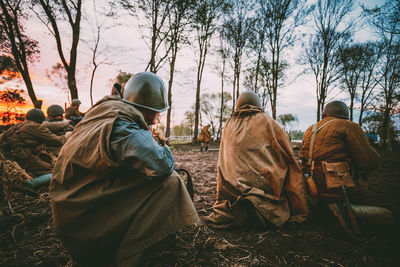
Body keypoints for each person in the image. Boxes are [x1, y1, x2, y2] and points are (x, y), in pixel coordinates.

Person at [50, 72, 200, 266]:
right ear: (145, 108)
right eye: (156, 112)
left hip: (73, 208)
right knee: (171, 182)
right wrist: (165, 149)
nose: (155, 120)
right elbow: (161, 164)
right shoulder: (122, 124)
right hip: (82, 222)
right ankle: (128, 257)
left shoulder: (102, 113)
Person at [206, 91, 308, 230]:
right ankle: (258, 204)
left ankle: (240, 207)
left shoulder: (229, 124)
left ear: (238, 105)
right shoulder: (267, 121)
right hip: (262, 187)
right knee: (289, 168)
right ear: (258, 105)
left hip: (231, 189)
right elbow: (287, 152)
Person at [298, 101, 389, 238]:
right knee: (387, 207)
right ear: (345, 116)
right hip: (339, 186)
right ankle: (347, 211)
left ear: (324, 114)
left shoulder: (311, 128)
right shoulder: (349, 126)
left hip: (314, 186)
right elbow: (369, 162)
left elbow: (304, 157)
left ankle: (324, 209)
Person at [1, 108, 67, 177]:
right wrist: (67, 136)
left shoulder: (18, 125)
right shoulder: (35, 126)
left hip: (11, 157)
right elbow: (57, 141)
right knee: (55, 171)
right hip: (23, 157)